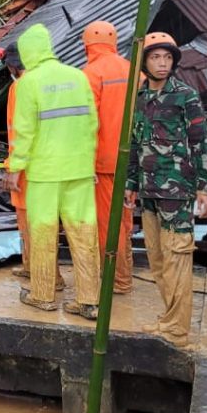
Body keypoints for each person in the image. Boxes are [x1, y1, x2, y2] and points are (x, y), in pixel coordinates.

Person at [6, 24, 100, 320]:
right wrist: (89, 163)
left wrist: (15, 167)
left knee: (44, 233)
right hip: (80, 170)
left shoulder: (28, 83)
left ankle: (43, 295)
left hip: (45, 173)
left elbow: (24, 131)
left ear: (27, 52)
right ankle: (88, 300)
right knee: (84, 233)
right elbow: (91, 125)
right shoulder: (78, 77)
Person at [126, 32, 207, 346]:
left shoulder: (185, 95)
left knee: (177, 257)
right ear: (145, 63)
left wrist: (206, 187)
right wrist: (131, 183)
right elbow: (135, 144)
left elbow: (200, 141)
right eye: (155, 58)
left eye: (167, 58)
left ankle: (178, 328)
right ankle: (169, 318)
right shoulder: (139, 98)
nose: (162, 64)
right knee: (158, 259)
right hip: (149, 192)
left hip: (177, 192)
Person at [0, 42, 66, 289]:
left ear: (12, 66)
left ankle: (48, 281)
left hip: (30, 170)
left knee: (33, 225)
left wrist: (13, 168)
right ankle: (32, 268)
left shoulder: (22, 88)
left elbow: (22, 132)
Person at [81, 21, 134, 294]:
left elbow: (88, 124)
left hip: (103, 162)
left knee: (107, 224)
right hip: (131, 162)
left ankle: (118, 281)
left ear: (86, 44)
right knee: (124, 220)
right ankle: (126, 275)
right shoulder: (133, 69)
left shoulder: (90, 74)